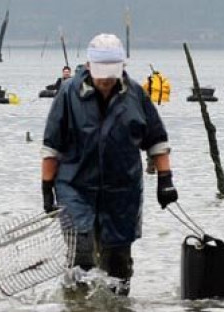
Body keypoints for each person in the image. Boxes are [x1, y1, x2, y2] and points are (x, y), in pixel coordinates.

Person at [41, 33, 177, 296]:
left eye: (111, 73)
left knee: (119, 264)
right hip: (75, 186)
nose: (104, 80)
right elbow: (51, 146)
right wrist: (47, 189)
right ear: (89, 66)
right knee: (82, 253)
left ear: (122, 68)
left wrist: (165, 180)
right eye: (100, 72)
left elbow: (157, 140)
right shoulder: (68, 94)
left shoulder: (136, 95)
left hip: (122, 191)